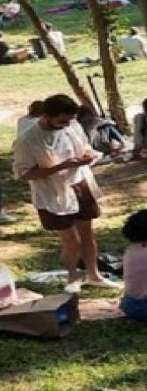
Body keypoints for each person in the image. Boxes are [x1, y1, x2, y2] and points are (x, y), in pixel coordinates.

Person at [12, 94, 120, 293]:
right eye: (62, 121)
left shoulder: (72, 125)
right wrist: (61, 166)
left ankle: (94, 275)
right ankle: (72, 279)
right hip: (53, 193)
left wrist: (88, 156)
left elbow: (85, 147)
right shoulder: (27, 141)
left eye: (70, 119)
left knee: (87, 234)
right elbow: (24, 174)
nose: (67, 124)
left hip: (80, 183)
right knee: (71, 241)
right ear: (46, 116)